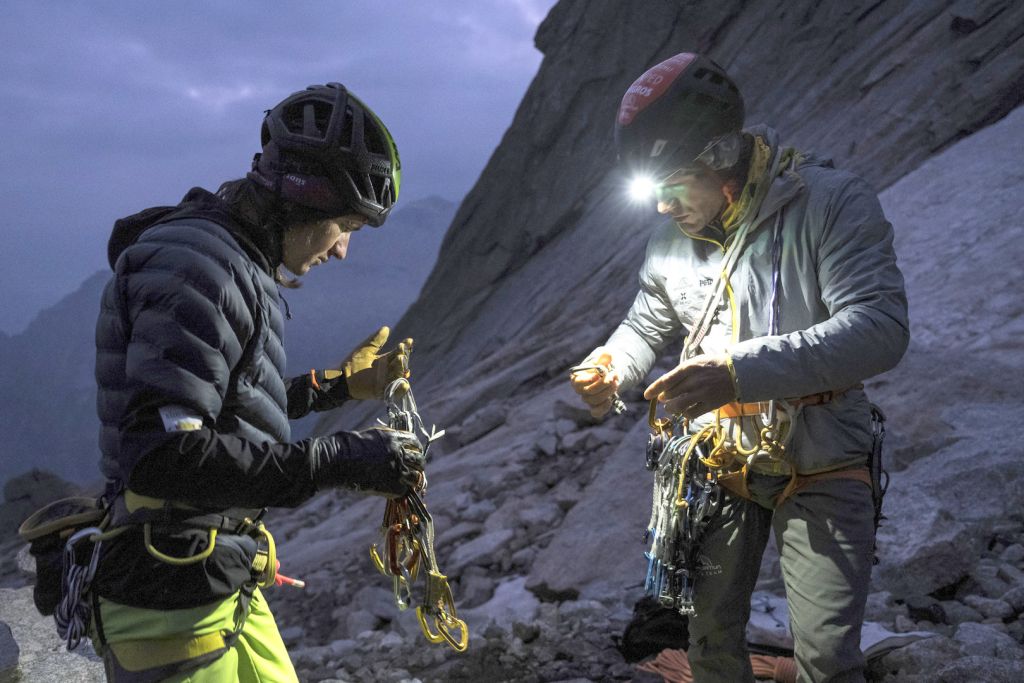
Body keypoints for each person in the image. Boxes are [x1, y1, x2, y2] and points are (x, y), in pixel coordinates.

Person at [571, 53, 909, 682]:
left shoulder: (830, 203)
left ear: (722, 155)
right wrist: (612, 364)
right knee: (708, 639)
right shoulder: (672, 241)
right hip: (718, 462)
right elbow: (647, 323)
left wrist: (735, 372)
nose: (662, 207)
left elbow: (878, 329)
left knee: (826, 653)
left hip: (824, 454)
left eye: (673, 183)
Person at [89, 82, 425, 682]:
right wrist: (337, 460)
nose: (343, 250)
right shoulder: (198, 268)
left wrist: (338, 388)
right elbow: (161, 456)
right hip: (171, 607)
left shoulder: (230, 260)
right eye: (346, 224)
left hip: (215, 579)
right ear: (307, 200)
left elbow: (221, 406)